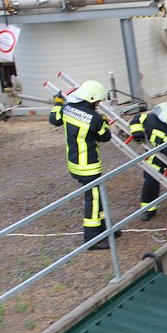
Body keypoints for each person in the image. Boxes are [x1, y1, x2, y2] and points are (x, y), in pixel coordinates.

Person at [49, 80, 119, 250]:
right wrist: (103, 122)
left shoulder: (67, 109)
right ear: (92, 99)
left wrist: (58, 103)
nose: (98, 104)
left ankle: (103, 229)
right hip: (88, 165)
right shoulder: (95, 118)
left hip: (74, 163)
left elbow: (54, 119)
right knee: (93, 199)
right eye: (98, 101)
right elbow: (105, 137)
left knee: (98, 196)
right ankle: (92, 238)